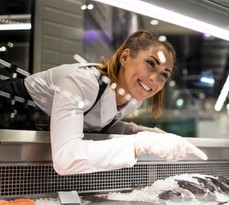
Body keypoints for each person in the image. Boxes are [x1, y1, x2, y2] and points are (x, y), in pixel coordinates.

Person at [0, 29, 207, 175]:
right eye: (150, 64)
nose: (154, 79)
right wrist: (140, 143)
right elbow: (65, 159)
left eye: (164, 74)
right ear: (125, 57)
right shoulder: (83, 82)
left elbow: (96, 120)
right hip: (7, 114)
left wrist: (143, 132)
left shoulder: (132, 97)